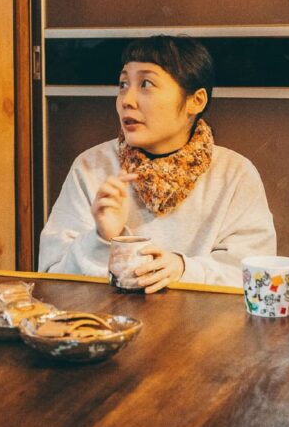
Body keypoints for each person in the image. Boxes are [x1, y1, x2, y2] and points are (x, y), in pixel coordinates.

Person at [38, 35, 276, 291]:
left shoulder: (234, 174)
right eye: (123, 84)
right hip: (105, 316)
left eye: (146, 84)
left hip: (201, 317)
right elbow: (51, 278)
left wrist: (183, 269)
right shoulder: (92, 167)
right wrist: (101, 238)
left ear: (196, 101)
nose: (127, 100)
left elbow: (257, 277)